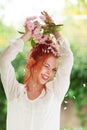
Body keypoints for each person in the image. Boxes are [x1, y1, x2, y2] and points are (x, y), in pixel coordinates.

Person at [0, 11, 74, 130]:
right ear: (33, 63)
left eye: (54, 69)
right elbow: (3, 60)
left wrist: (55, 32)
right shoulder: (14, 92)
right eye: (46, 66)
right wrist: (27, 35)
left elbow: (68, 57)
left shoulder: (55, 92)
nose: (50, 72)